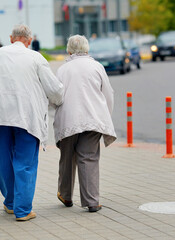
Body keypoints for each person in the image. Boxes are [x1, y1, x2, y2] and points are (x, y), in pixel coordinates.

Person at [0, 24, 63, 221]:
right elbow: (54, 89)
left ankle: (10, 203)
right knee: (25, 163)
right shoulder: (36, 57)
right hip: (27, 118)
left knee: (4, 161)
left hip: (0, 116)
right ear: (29, 40)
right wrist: (59, 101)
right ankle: (23, 210)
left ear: (11, 38)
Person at [53, 35, 116, 212]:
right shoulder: (97, 67)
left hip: (68, 119)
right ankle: (92, 201)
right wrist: (105, 117)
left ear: (69, 50)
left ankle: (65, 195)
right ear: (87, 49)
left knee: (67, 157)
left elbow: (56, 95)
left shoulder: (63, 70)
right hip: (93, 118)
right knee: (88, 156)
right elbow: (108, 94)